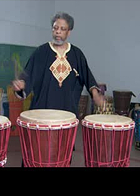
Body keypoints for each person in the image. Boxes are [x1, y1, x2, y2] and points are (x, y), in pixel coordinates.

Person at [12, 11, 105, 166]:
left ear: (69, 32)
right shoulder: (41, 52)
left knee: (61, 157)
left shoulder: (77, 54)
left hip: (66, 114)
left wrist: (95, 94)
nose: (58, 32)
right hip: (41, 113)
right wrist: (21, 86)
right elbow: (27, 78)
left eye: (62, 29)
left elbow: (88, 77)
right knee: (36, 155)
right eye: (55, 28)